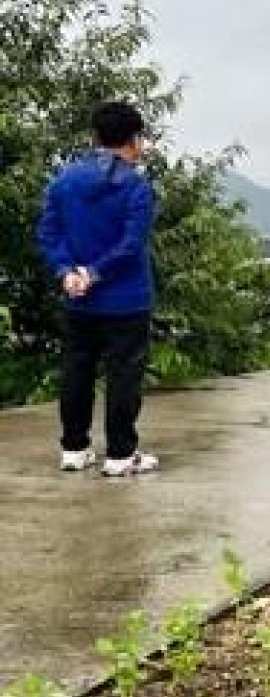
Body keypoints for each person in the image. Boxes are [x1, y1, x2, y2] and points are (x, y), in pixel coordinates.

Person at [37, 101, 159, 477]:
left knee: (76, 370)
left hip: (77, 299)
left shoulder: (63, 180)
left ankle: (74, 449)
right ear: (133, 140)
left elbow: (48, 232)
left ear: (96, 137)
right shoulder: (136, 187)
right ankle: (121, 455)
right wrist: (95, 272)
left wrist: (66, 272)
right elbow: (130, 243)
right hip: (126, 300)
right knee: (123, 375)